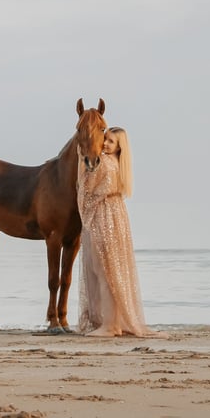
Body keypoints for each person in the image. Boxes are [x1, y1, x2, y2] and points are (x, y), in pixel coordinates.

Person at [76, 126, 154, 337]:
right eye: (105, 140)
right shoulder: (119, 165)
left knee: (103, 271)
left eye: (111, 142)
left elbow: (88, 189)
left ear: (119, 147)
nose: (105, 144)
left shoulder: (105, 163)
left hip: (103, 216)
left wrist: (83, 161)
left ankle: (109, 325)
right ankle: (112, 322)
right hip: (115, 214)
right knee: (110, 271)